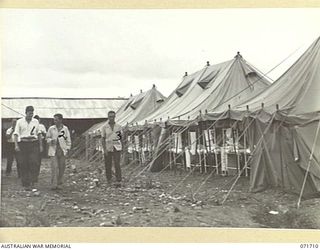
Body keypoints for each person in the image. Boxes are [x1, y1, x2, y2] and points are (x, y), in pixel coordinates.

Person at [14, 106, 43, 191]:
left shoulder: (36, 121)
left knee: (34, 162)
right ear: (26, 112)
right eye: (29, 113)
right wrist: (16, 145)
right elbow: (16, 134)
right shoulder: (19, 122)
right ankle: (25, 182)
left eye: (32, 113)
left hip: (33, 143)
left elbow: (39, 134)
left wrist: (41, 145)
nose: (31, 115)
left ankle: (33, 181)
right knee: (23, 163)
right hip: (23, 143)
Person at [46, 113, 71, 190]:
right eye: (54, 120)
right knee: (54, 167)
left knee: (61, 167)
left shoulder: (65, 129)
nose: (55, 121)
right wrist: (50, 141)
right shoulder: (51, 128)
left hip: (62, 150)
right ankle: (53, 184)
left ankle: (59, 183)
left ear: (60, 120)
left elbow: (68, 139)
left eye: (56, 120)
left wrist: (67, 148)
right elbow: (47, 138)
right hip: (53, 150)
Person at [101, 110, 123, 187]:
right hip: (108, 147)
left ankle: (118, 179)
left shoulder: (118, 126)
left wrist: (122, 147)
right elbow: (103, 139)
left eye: (113, 117)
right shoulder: (104, 127)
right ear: (108, 117)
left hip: (117, 147)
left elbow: (120, 137)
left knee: (117, 163)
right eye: (110, 117)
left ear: (115, 117)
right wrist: (104, 149)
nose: (111, 118)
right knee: (108, 164)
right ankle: (109, 179)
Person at [34, 115, 47, 182]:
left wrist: (42, 133)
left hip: (41, 142)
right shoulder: (32, 125)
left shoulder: (42, 126)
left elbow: (46, 135)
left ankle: (36, 175)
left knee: (38, 160)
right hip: (33, 142)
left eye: (38, 119)